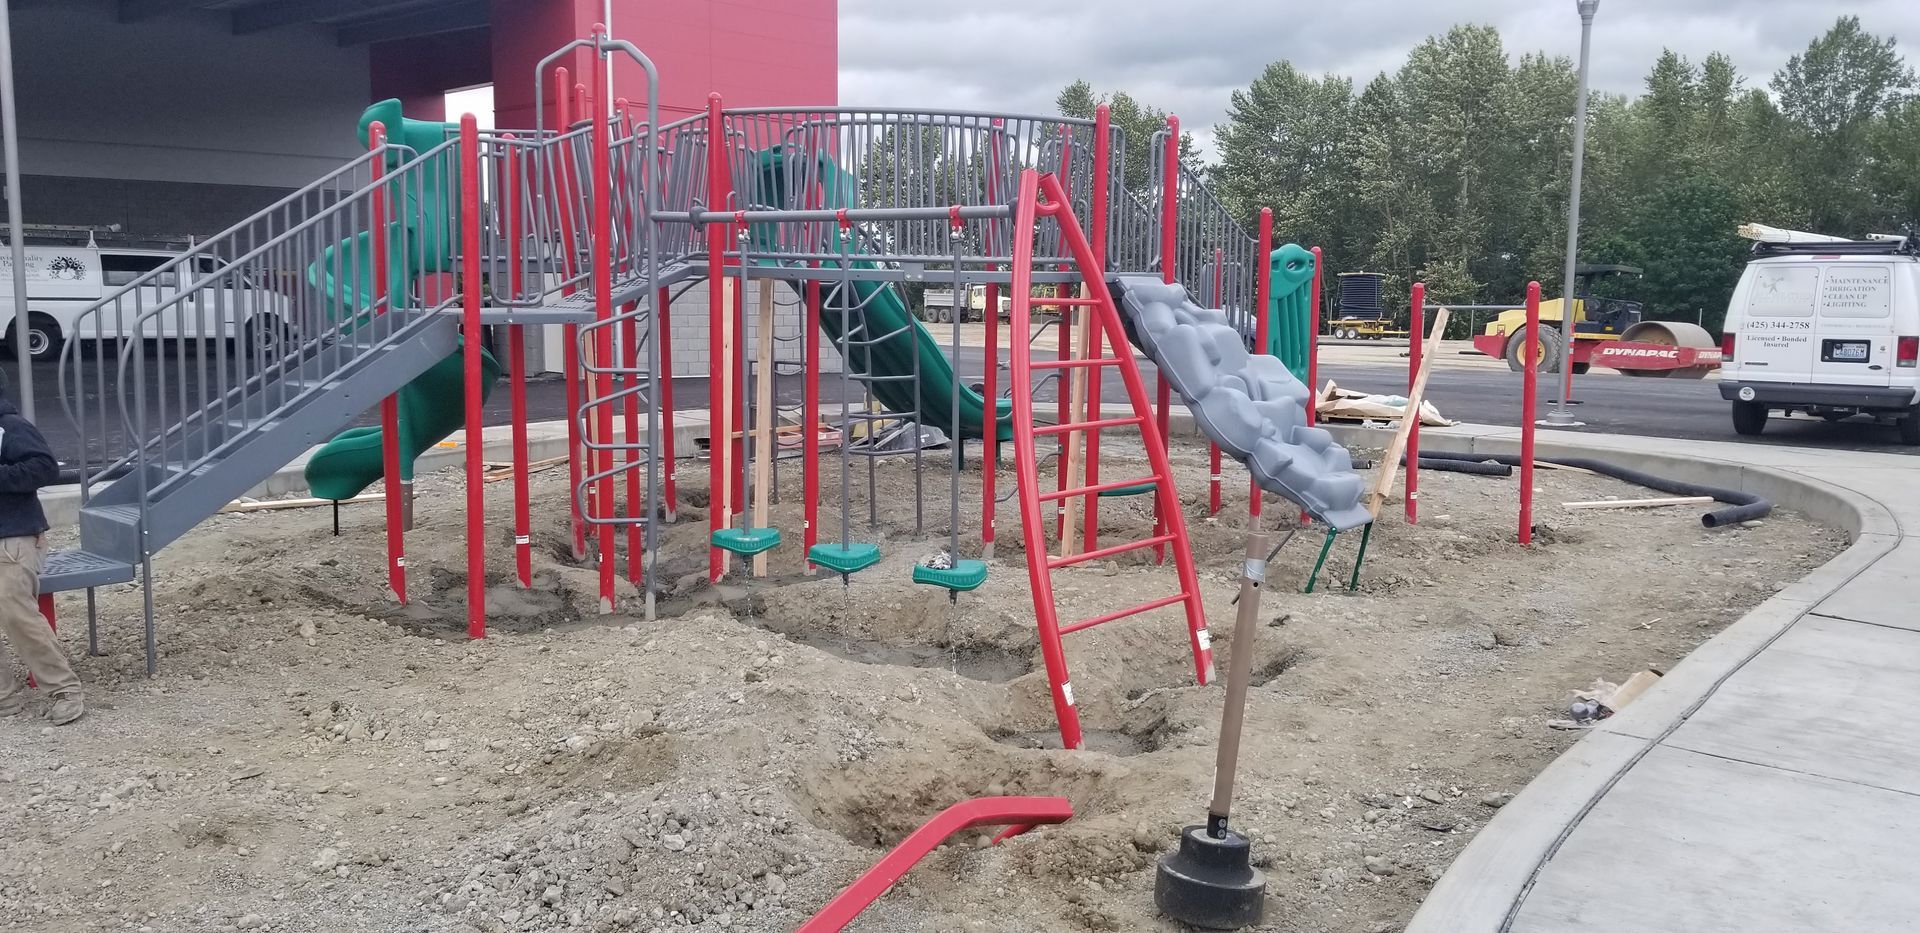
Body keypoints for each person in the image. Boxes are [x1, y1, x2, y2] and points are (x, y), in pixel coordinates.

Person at [0, 383, 80, 726]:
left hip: (13, 537)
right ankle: (4, 696)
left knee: (18, 615)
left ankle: (64, 690)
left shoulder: (11, 427)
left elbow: (46, 468)